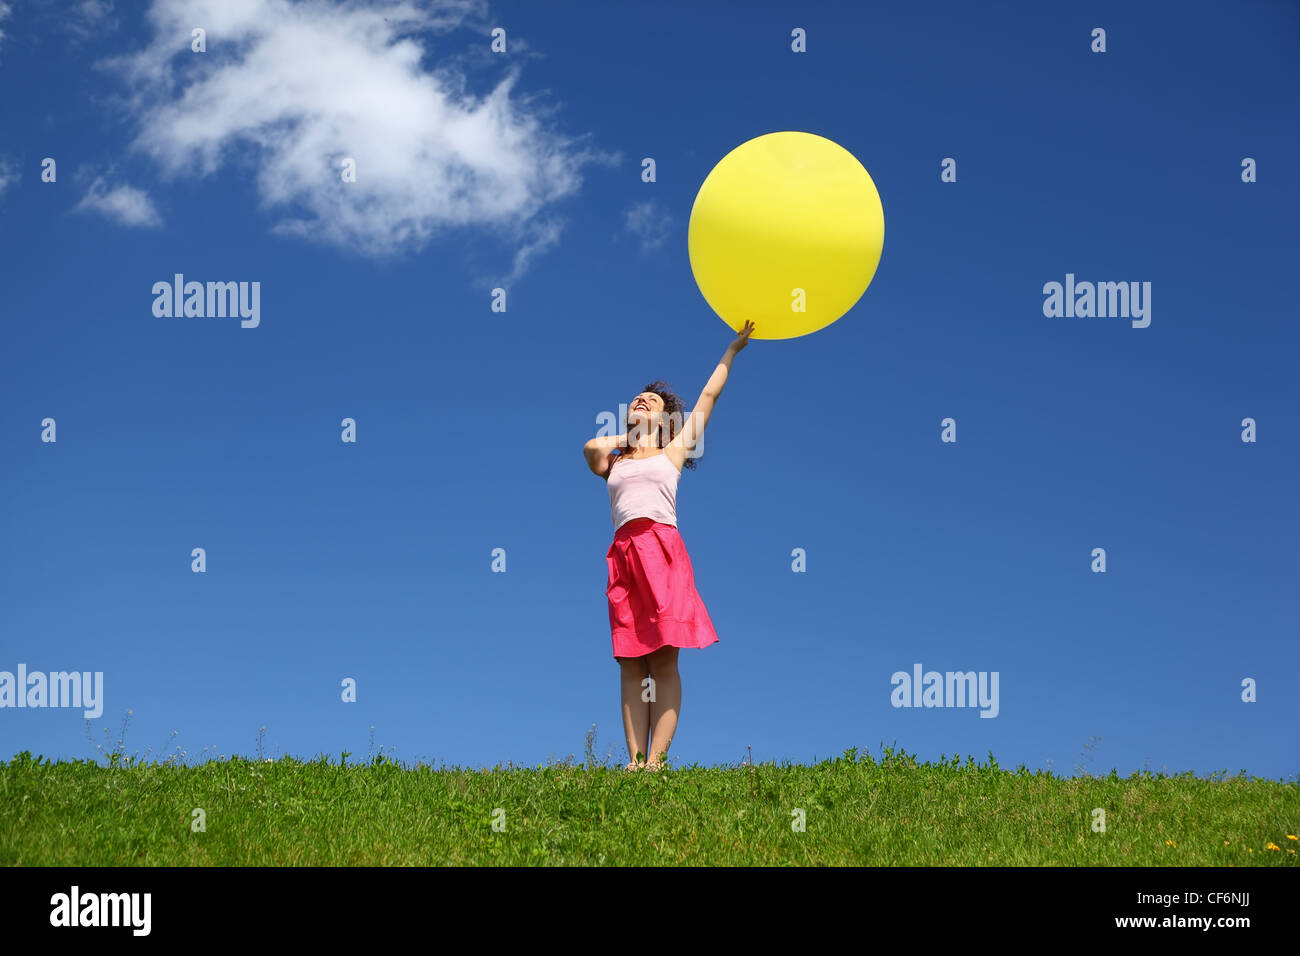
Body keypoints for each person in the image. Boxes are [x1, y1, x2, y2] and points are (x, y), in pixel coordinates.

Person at [582, 320, 755, 772]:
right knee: (629, 663)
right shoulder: (614, 461)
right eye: (638, 399)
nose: (641, 401)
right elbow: (589, 448)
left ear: (666, 420)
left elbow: (708, 398)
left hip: (661, 551)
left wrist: (732, 351)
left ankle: (656, 762)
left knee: (662, 660)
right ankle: (635, 762)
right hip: (623, 555)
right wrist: (631, 436)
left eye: (652, 402)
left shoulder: (673, 452)